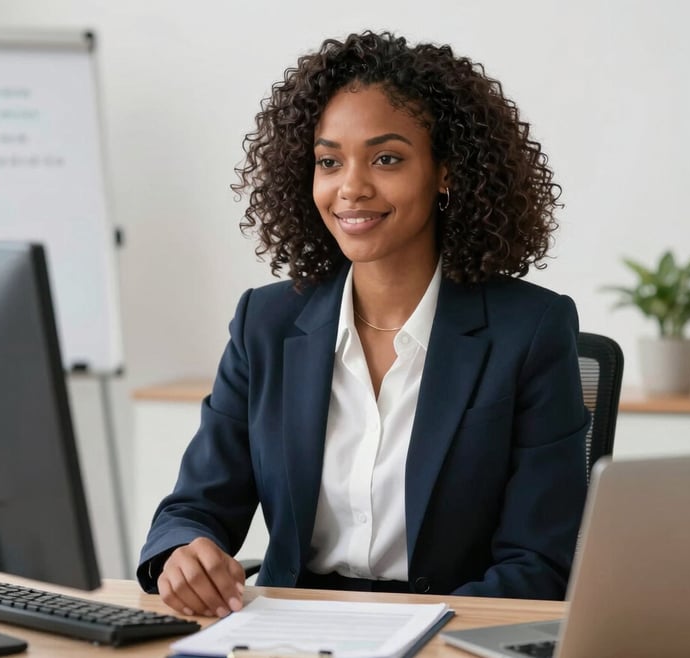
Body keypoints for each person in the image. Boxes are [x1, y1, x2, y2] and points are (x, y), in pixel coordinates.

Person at [137, 29, 590, 619]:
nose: (351, 187)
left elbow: (539, 560)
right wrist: (184, 553)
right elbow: (194, 507)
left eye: (386, 159)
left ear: (446, 172)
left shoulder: (528, 331)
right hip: (289, 630)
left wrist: (410, 637)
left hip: (449, 632)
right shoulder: (266, 324)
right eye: (329, 161)